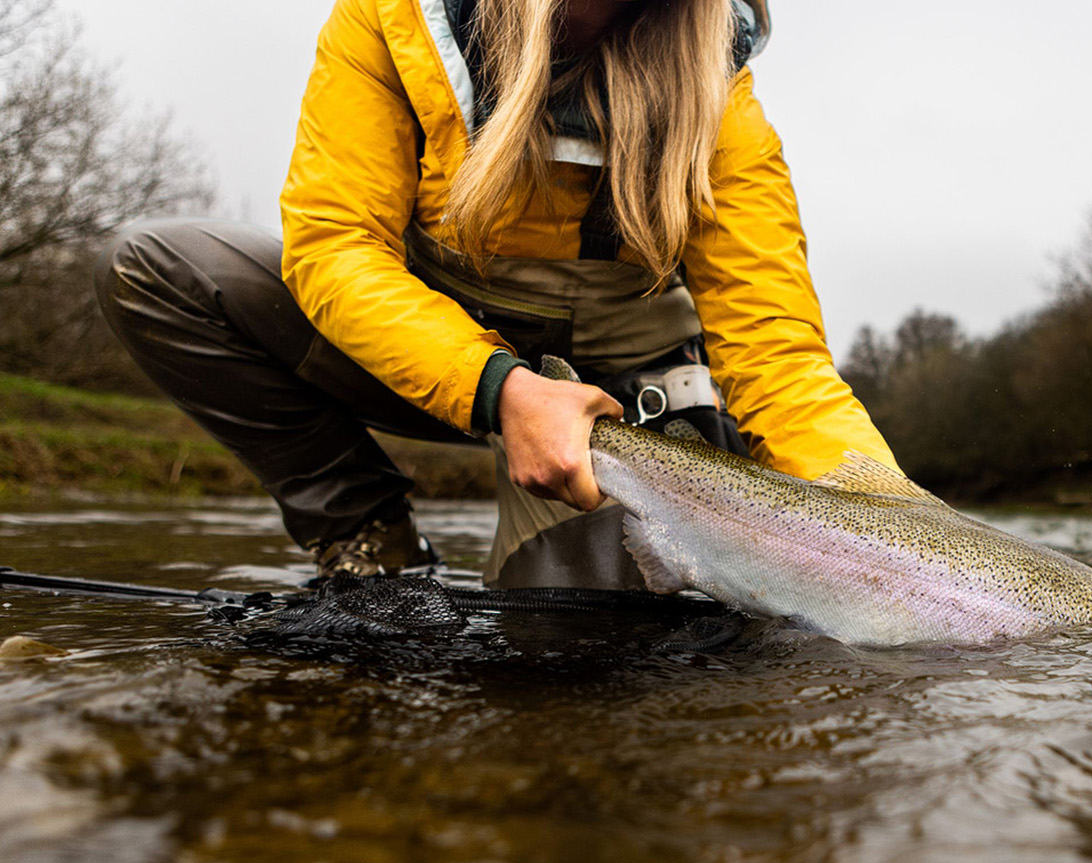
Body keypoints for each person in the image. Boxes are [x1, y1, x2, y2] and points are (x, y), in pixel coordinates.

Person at [95, 0, 897, 590]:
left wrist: (892, 522)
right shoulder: (388, 21)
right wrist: (502, 389)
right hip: (433, 357)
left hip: (623, 418)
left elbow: (779, 363)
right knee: (160, 271)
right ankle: (371, 542)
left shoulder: (724, 102)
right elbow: (336, 247)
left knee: (570, 658)